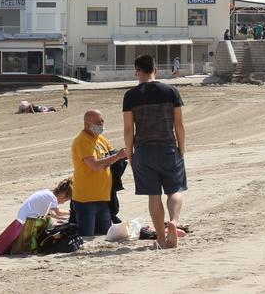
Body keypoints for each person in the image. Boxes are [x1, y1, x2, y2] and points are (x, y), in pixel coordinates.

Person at [122, 55, 186, 249]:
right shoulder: (171, 91)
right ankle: (173, 221)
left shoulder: (131, 96)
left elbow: (128, 129)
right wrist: (181, 148)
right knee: (174, 190)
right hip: (168, 148)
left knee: (154, 195)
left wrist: (130, 153)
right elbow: (179, 124)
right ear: (155, 70)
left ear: (137, 70)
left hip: (143, 150)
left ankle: (160, 238)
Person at [70, 109, 127, 237]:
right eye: (98, 122)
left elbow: (112, 156)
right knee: (87, 236)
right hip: (86, 199)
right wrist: (118, 156)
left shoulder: (100, 138)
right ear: (87, 123)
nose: (101, 124)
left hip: (103, 197)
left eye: (102, 121)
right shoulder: (82, 141)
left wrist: (123, 155)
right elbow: (95, 165)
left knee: (104, 235)